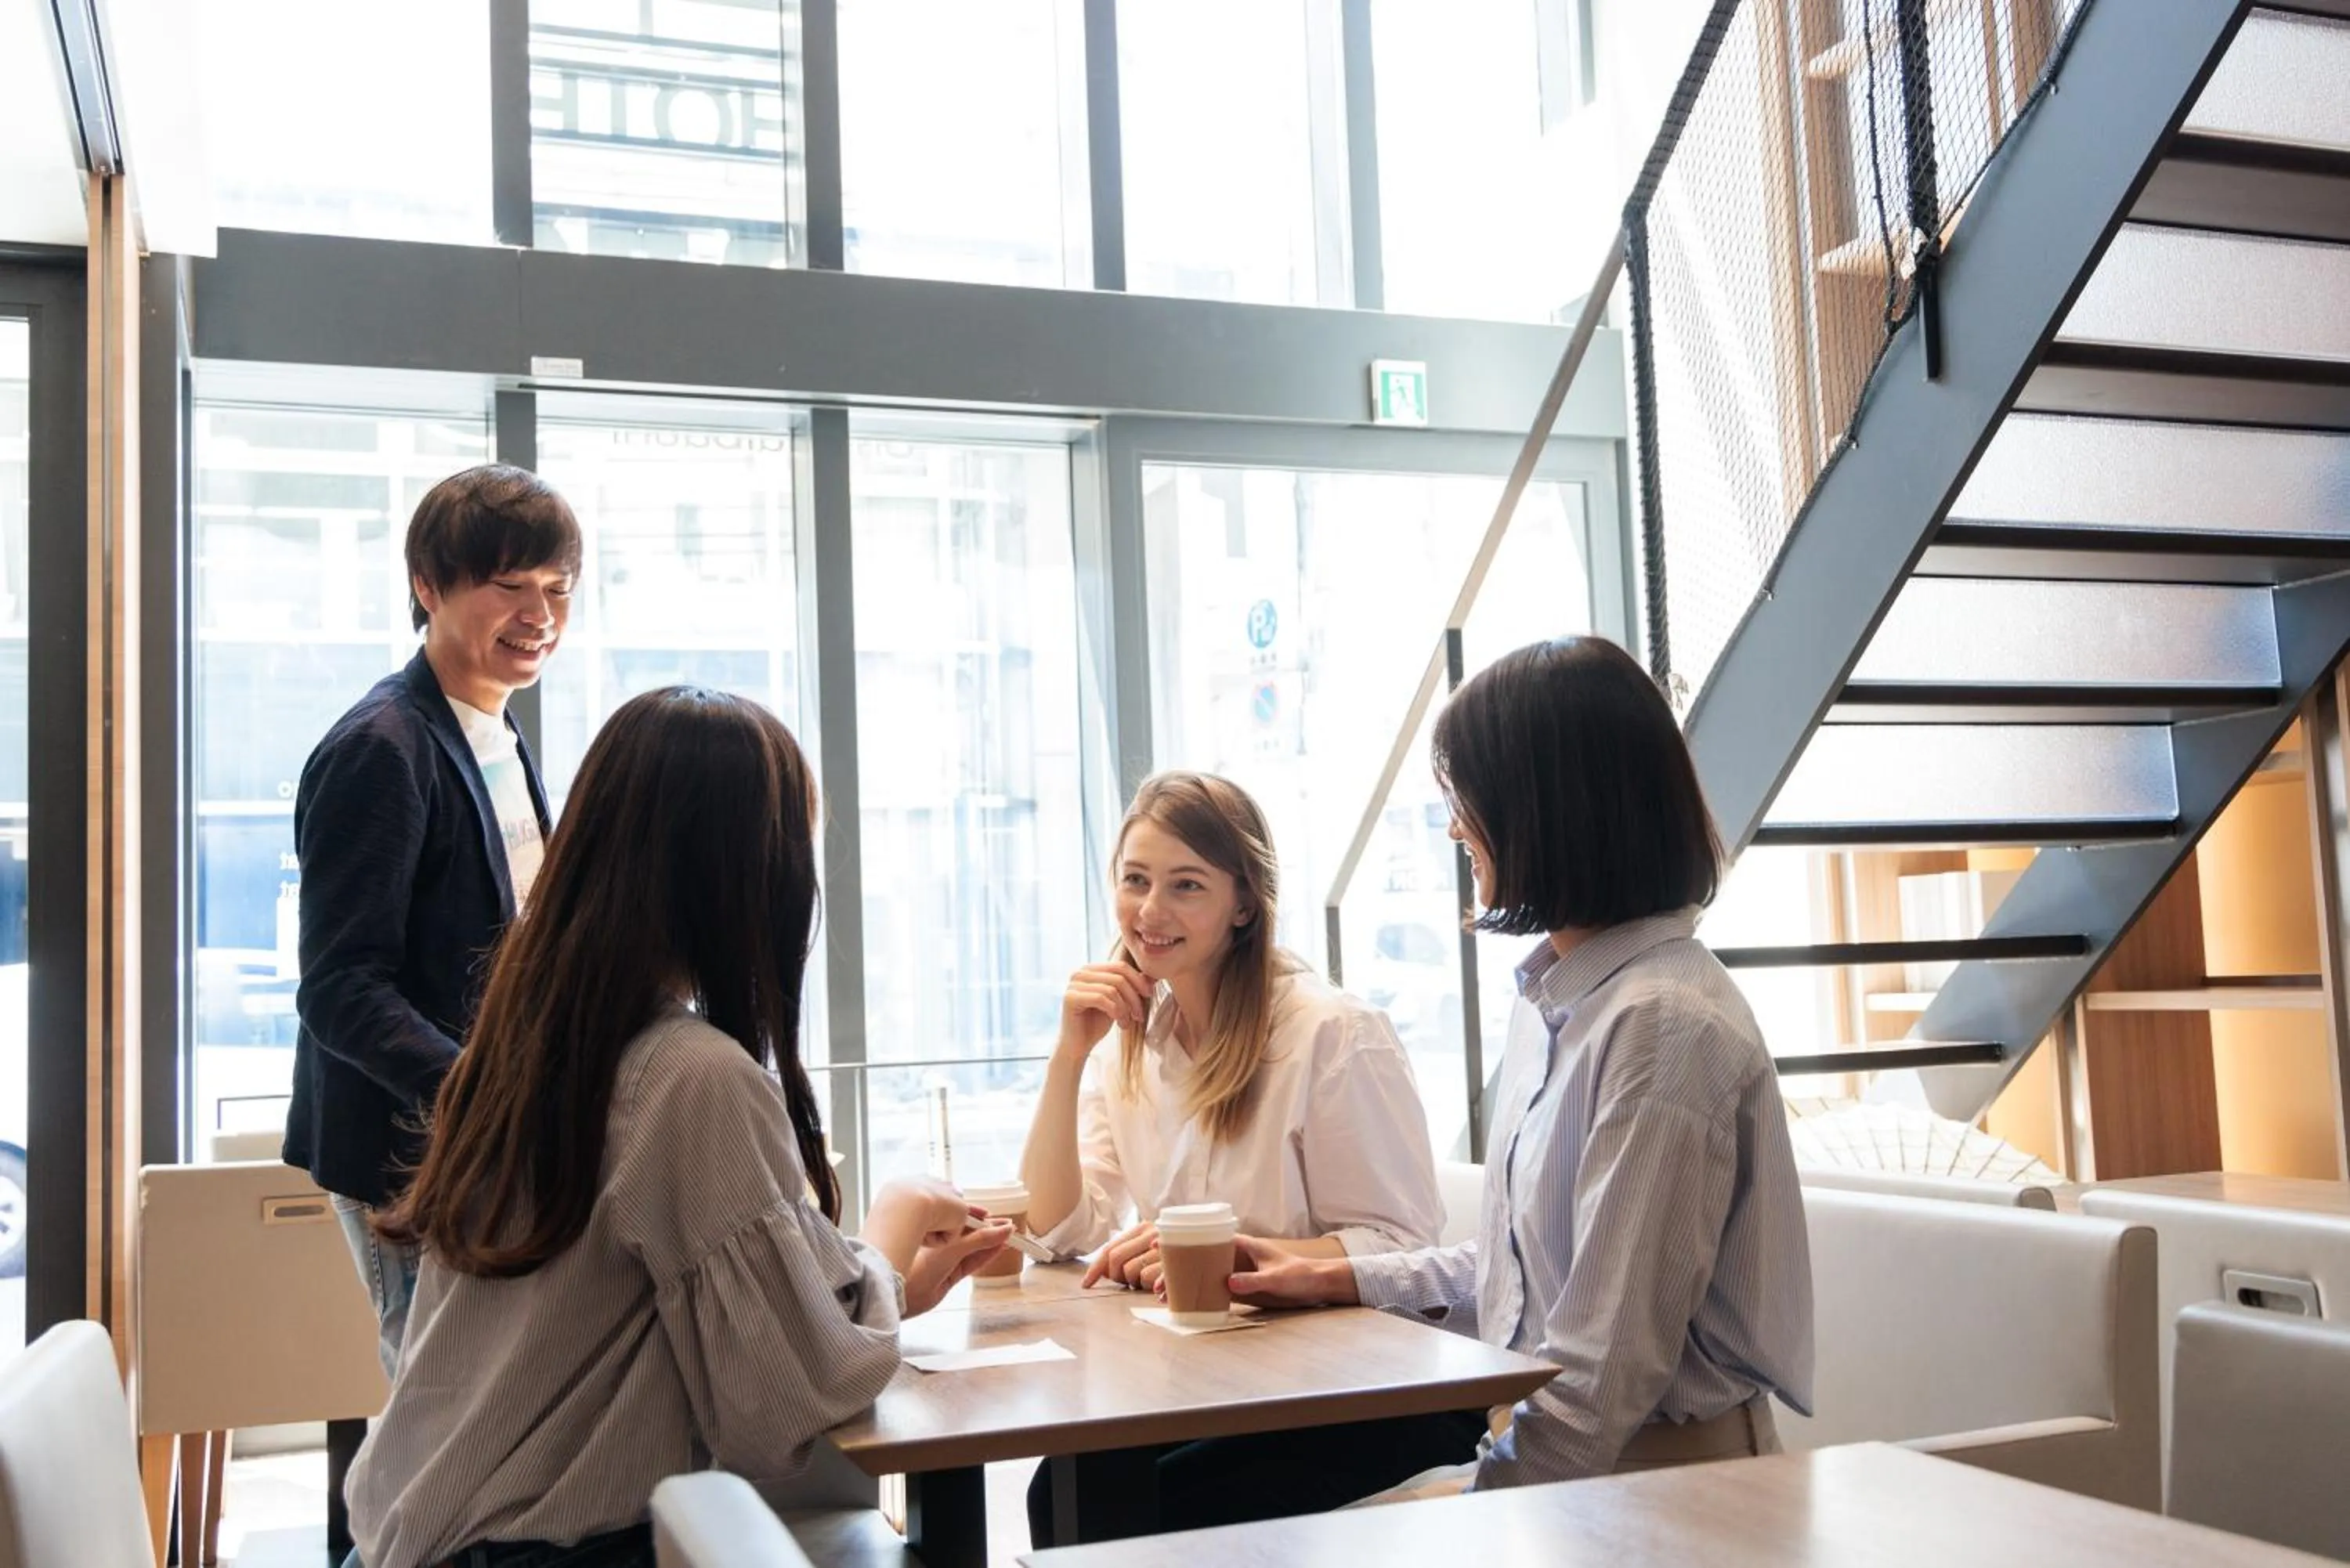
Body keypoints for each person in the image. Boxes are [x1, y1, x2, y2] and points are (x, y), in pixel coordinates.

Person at [346, 687, 1011, 1568]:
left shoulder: (532, 1042)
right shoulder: (689, 1076)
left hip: (420, 1540)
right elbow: (783, 1408)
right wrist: (884, 1249)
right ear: (743, 874)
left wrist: (874, 1290)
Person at [1226, 636, 1814, 1494]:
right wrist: (1329, 1275)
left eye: (1469, 797)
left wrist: (1474, 1509)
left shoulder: (1663, 1033)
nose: (1455, 824)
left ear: (1551, 810)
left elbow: (1596, 1383)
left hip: (1663, 1490)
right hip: (1571, 1465)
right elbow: (1524, 1278)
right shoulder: (1566, 1002)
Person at [1019, 770, 1462, 1538]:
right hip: (1218, 1376)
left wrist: (1232, 1259)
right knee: (1058, 1490)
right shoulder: (1130, 1038)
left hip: (1360, 1389)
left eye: (1186, 885)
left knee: (1132, 1504)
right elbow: (1060, 1231)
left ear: (1244, 902)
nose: (1149, 912)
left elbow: (1402, 1251)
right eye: (1135, 880)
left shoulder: (1329, 1033)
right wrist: (1067, 1057)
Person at [284, 464, 580, 1373]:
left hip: (491, 1143)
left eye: (558, 590)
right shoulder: (382, 748)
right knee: (440, 1413)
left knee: (488, 1409)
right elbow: (340, 988)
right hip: (414, 1151)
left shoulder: (498, 728)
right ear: (427, 586)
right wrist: (486, 1098)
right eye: (509, 586)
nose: (540, 615)